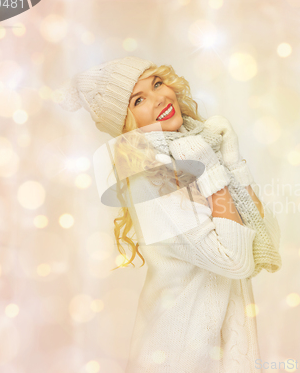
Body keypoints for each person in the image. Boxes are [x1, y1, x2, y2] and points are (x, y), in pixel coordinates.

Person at [58, 56, 281, 372]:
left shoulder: (192, 146)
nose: (159, 98)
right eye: (139, 100)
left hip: (220, 350)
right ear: (126, 125)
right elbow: (236, 260)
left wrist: (231, 159)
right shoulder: (146, 177)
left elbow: (265, 233)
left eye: (157, 83)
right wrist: (213, 171)